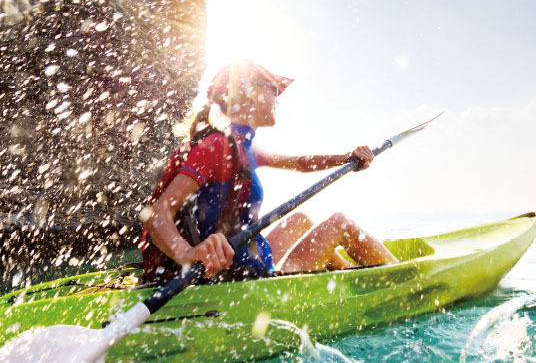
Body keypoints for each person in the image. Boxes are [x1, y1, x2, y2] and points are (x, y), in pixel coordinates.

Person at [140, 60, 397, 283]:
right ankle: (401, 284)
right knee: (341, 223)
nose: (278, 99)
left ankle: (350, 278)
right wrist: (187, 254)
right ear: (250, 94)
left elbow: (300, 163)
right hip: (237, 278)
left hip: (248, 261)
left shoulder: (243, 147)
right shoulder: (217, 146)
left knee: (301, 220)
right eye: (274, 90)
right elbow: (157, 215)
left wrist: (348, 158)